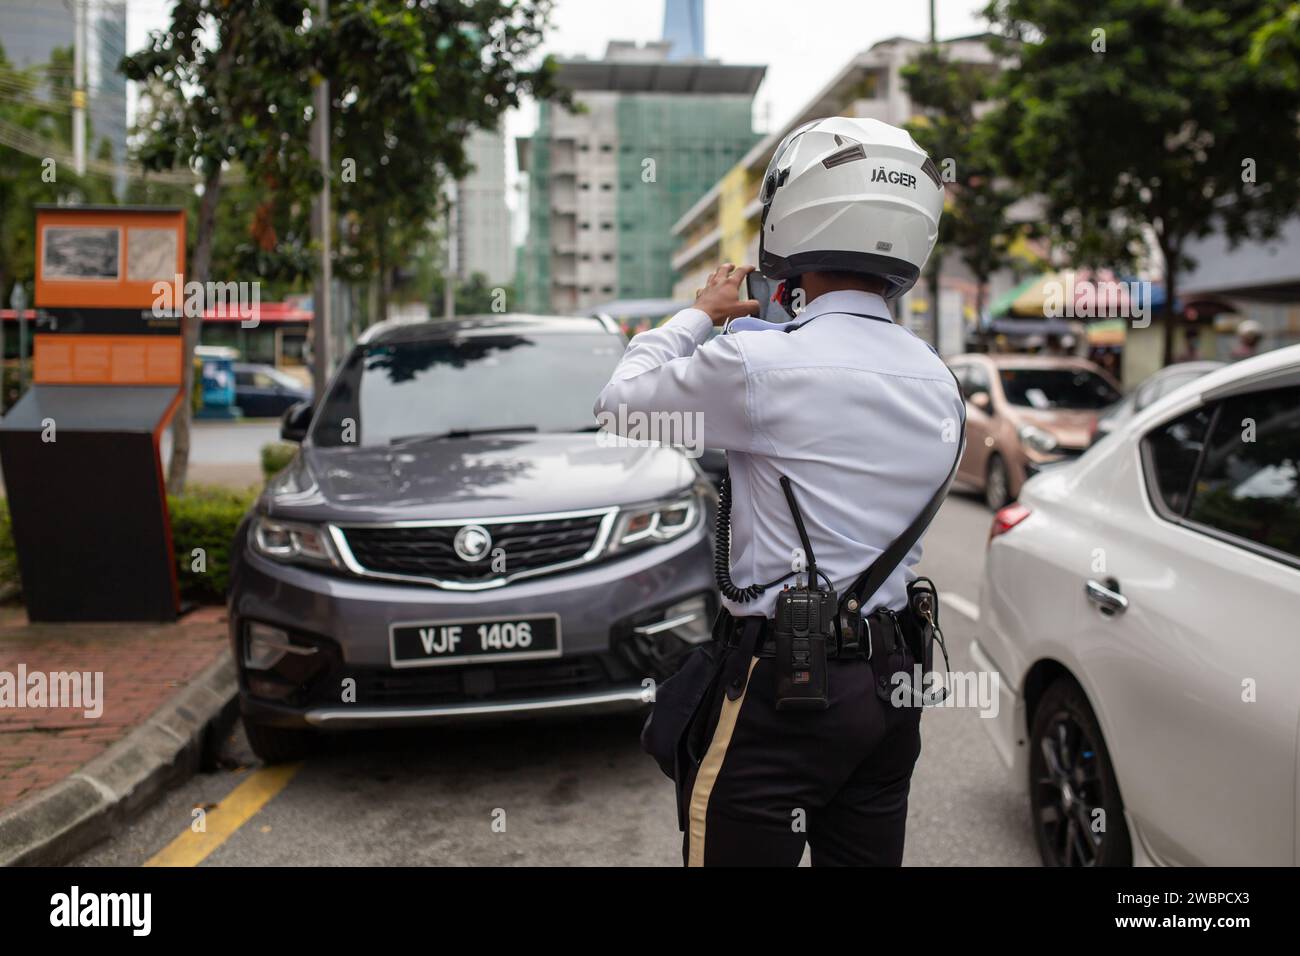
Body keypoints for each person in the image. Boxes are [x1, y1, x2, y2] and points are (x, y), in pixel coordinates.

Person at [594, 117, 963, 866]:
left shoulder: (757, 364)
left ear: (795, 222)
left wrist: (701, 313)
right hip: (894, 684)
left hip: (788, 686)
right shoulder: (939, 379)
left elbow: (620, 405)